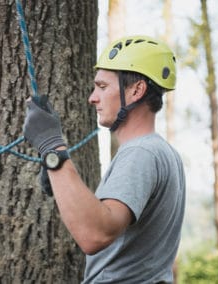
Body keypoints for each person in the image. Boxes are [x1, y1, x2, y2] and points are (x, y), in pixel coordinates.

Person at [23, 35, 186, 284]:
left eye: (102, 87)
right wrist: (59, 175)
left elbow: (95, 234)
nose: (92, 97)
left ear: (136, 90)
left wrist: (51, 147)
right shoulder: (162, 152)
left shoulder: (141, 153)